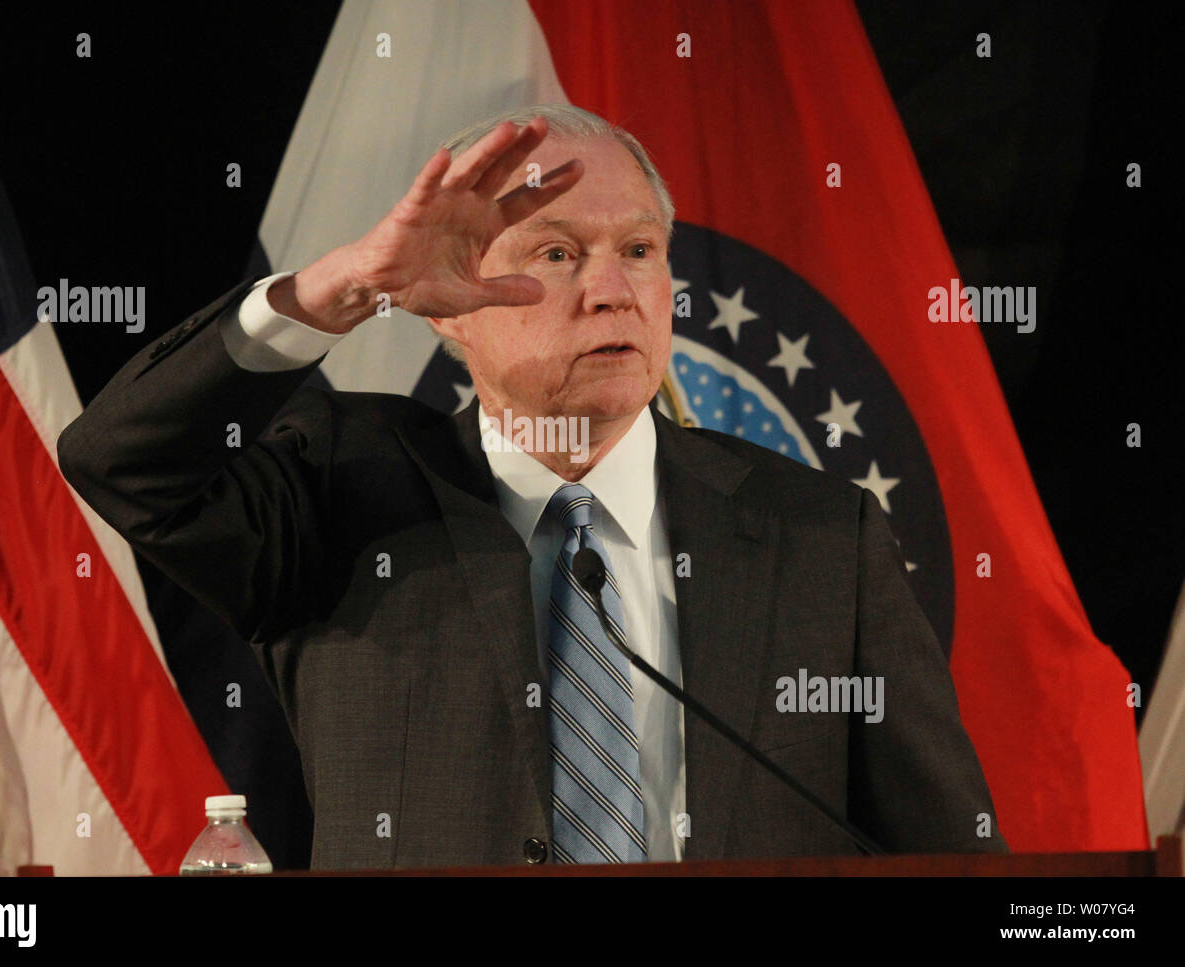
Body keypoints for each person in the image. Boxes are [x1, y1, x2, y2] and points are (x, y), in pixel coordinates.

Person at [58, 104, 1006, 869]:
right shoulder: (339, 492)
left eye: (639, 250)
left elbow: (953, 857)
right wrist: (339, 290)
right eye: (557, 254)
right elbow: (120, 460)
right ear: (448, 309)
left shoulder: (820, 535)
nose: (612, 289)